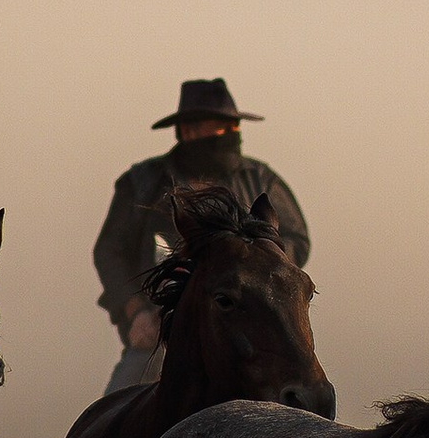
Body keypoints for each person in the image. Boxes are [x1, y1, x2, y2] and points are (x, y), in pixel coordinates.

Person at [92, 79, 311, 392]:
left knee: (302, 396)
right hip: (163, 326)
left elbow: (295, 239)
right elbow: (110, 252)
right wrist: (135, 311)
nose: (216, 135)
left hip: (248, 328)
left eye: (222, 127)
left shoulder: (260, 180)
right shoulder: (144, 182)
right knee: (118, 408)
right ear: (185, 131)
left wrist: (253, 259)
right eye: (203, 128)